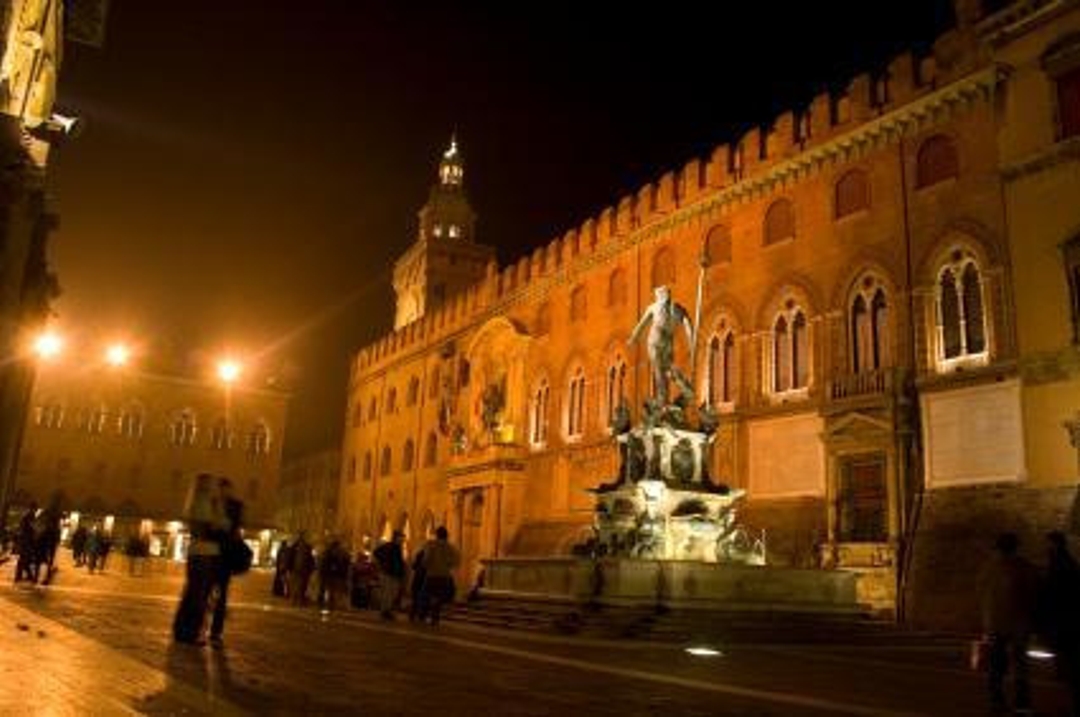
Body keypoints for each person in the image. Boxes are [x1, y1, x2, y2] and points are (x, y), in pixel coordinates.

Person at [977, 532, 1039, 714]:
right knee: (1019, 664)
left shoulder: (987, 569)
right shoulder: (1023, 568)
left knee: (996, 665)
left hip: (994, 624)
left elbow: (980, 594)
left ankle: (996, 700)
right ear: (1015, 547)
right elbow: (1033, 594)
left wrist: (986, 621)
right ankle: (1022, 703)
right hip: (1018, 624)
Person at [172, 473, 228, 646]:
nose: (213, 486)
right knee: (199, 595)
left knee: (191, 593)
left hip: (195, 553)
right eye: (210, 483)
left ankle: (182, 630)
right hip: (205, 553)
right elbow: (221, 524)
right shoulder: (207, 502)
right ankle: (191, 632)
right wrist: (219, 509)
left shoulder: (194, 501)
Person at [627, 285, 695, 406]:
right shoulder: (676, 308)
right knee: (667, 367)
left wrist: (633, 338)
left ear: (659, 296)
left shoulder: (655, 307)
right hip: (666, 339)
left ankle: (663, 398)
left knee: (660, 368)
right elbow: (687, 323)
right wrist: (691, 338)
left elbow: (641, 325)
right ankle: (683, 386)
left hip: (656, 339)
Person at [1040, 531, 1080, 714]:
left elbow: (1052, 592)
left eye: (1048, 544)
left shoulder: (1059, 565)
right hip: (1067, 617)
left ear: (1055, 544)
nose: (1046, 547)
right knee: (1068, 660)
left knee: (1068, 662)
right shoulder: (1068, 563)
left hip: (1062, 619)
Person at [209, 477, 244, 649]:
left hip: (225, 556)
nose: (224, 491)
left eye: (226, 488)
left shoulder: (236, 506)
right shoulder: (212, 503)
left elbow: (235, 527)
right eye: (221, 488)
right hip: (210, 552)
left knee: (222, 594)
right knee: (207, 591)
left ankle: (216, 631)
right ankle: (204, 623)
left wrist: (224, 526)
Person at [420, 527, 460, 626]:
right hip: (444, 575)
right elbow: (455, 561)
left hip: (432, 574)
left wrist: (426, 565)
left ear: (437, 535)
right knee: (438, 597)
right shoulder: (451, 547)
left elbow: (426, 559)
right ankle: (435, 617)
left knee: (426, 595)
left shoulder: (431, 545)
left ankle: (423, 615)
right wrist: (446, 565)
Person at [373, 531, 406, 620]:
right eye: (401, 538)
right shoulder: (390, 546)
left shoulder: (397, 547)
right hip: (388, 572)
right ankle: (385, 611)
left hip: (392, 573)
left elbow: (399, 561)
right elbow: (376, 552)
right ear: (396, 538)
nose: (403, 540)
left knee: (392, 592)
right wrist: (382, 563)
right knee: (388, 592)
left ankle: (386, 610)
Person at [317, 537, 351, 612]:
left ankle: (327, 603)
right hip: (329, 573)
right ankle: (328, 603)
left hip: (327, 573)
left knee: (327, 589)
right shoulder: (331, 554)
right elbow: (333, 564)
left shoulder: (327, 553)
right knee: (329, 589)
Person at [13, 503, 38, 583]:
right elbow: (33, 528)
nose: (35, 510)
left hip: (25, 540)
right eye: (35, 508)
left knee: (25, 559)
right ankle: (21, 576)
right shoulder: (30, 516)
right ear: (33, 508)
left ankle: (22, 575)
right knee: (25, 558)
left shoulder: (27, 516)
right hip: (27, 541)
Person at [289, 532, 315, 606]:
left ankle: (298, 600)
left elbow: (310, 559)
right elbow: (290, 558)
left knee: (302, 586)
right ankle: (295, 600)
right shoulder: (294, 547)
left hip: (303, 570)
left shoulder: (307, 547)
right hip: (296, 570)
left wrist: (311, 569)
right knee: (296, 585)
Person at [409, 545, 428, 623]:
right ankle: (421, 615)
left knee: (416, 599)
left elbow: (413, 566)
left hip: (417, 580)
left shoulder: (419, 557)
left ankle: (413, 614)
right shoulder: (427, 558)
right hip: (424, 580)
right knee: (423, 598)